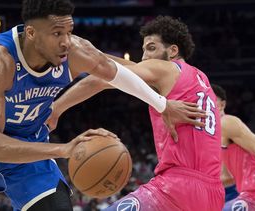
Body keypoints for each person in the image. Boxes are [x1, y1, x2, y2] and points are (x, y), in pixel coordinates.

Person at [0, 1, 205, 210]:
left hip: (32, 138)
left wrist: (162, 104)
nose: (66, 41)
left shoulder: (75, 50)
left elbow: (116, 73)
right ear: (31, 33)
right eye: (57, 33)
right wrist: (65, 149)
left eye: (69, 31)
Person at [48, 16, 225, 210]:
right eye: (143, 50)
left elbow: (100, 79)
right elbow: (116, 68)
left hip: (176, 188)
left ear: (173, 50)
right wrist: (92, 57)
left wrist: (55, 110)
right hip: (213, 194)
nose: (144, 57)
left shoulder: (166, 70)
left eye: (151, 48)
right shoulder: (200, 78)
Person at [212, 84, 255, 211]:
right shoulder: (217, 135)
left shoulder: (226, 122)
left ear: (222, 105)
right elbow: (227, 178)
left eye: (211, 101)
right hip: (249, 193)